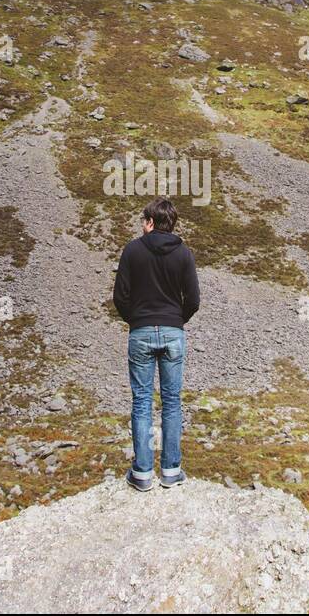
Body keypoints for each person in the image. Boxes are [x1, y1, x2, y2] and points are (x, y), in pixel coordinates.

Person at [111, 196, 200, 491]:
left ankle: (142, 473)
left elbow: (120, 297)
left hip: (141, 332)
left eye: (143, 220)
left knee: (142, 402)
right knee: (172, 402)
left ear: (150, 222)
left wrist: (136, 320)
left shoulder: (132, 250)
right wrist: (176, 320)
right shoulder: (184, 253)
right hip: (173, 332)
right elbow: (194, 300)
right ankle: (172, 470)